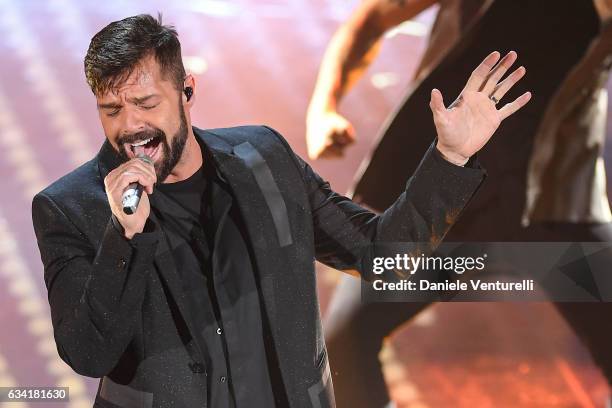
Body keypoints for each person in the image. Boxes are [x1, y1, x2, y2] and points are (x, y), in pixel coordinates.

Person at [31, 13, 530, 408]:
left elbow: (382, 255)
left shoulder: (263, 159)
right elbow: (88, 352)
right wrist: (125, 237)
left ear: (187, 92)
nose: (130, 126)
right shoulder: (71, 207)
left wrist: (451, 157)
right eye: (111, 111)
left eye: (145, 104)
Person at [306, 0, 612, 406]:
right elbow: (373, 17)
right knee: (344, 343)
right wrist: (322, 109)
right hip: (449, 192)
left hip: (553, 200)